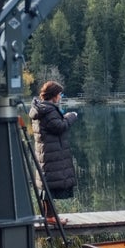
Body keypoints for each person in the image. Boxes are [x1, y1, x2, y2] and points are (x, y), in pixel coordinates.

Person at [29, 80, 78, 208]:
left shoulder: (41, 110)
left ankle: (49, 215)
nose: (60, 97)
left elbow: (54, 125)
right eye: (59, 94)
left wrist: (64, 118)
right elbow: (59, 127)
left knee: (47, 185)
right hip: (51, 153)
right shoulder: (48, 111)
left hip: (45, 152)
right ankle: (50, 216)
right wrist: (71, 116)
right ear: (54, 95)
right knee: (49, 186)